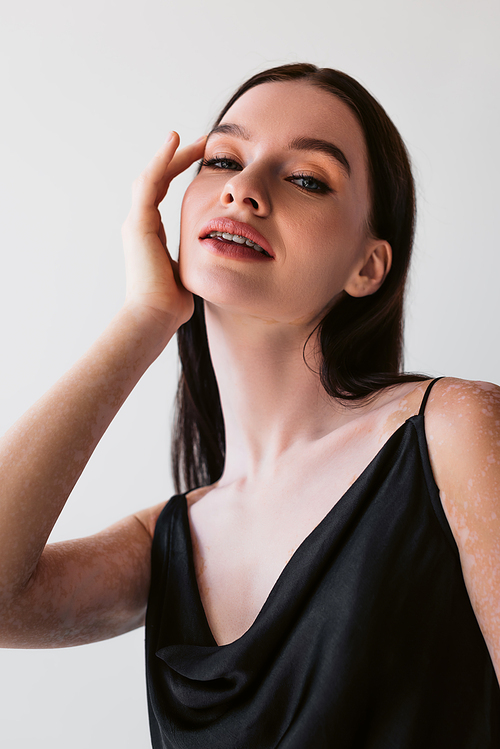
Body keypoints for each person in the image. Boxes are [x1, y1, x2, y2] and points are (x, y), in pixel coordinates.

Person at [1, 62, 499, 747]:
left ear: (368, 266)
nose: (243, 189)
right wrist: (145, 317)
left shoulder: (451, 433)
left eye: (305, 178)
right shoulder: (168, 541)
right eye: (223, 159)